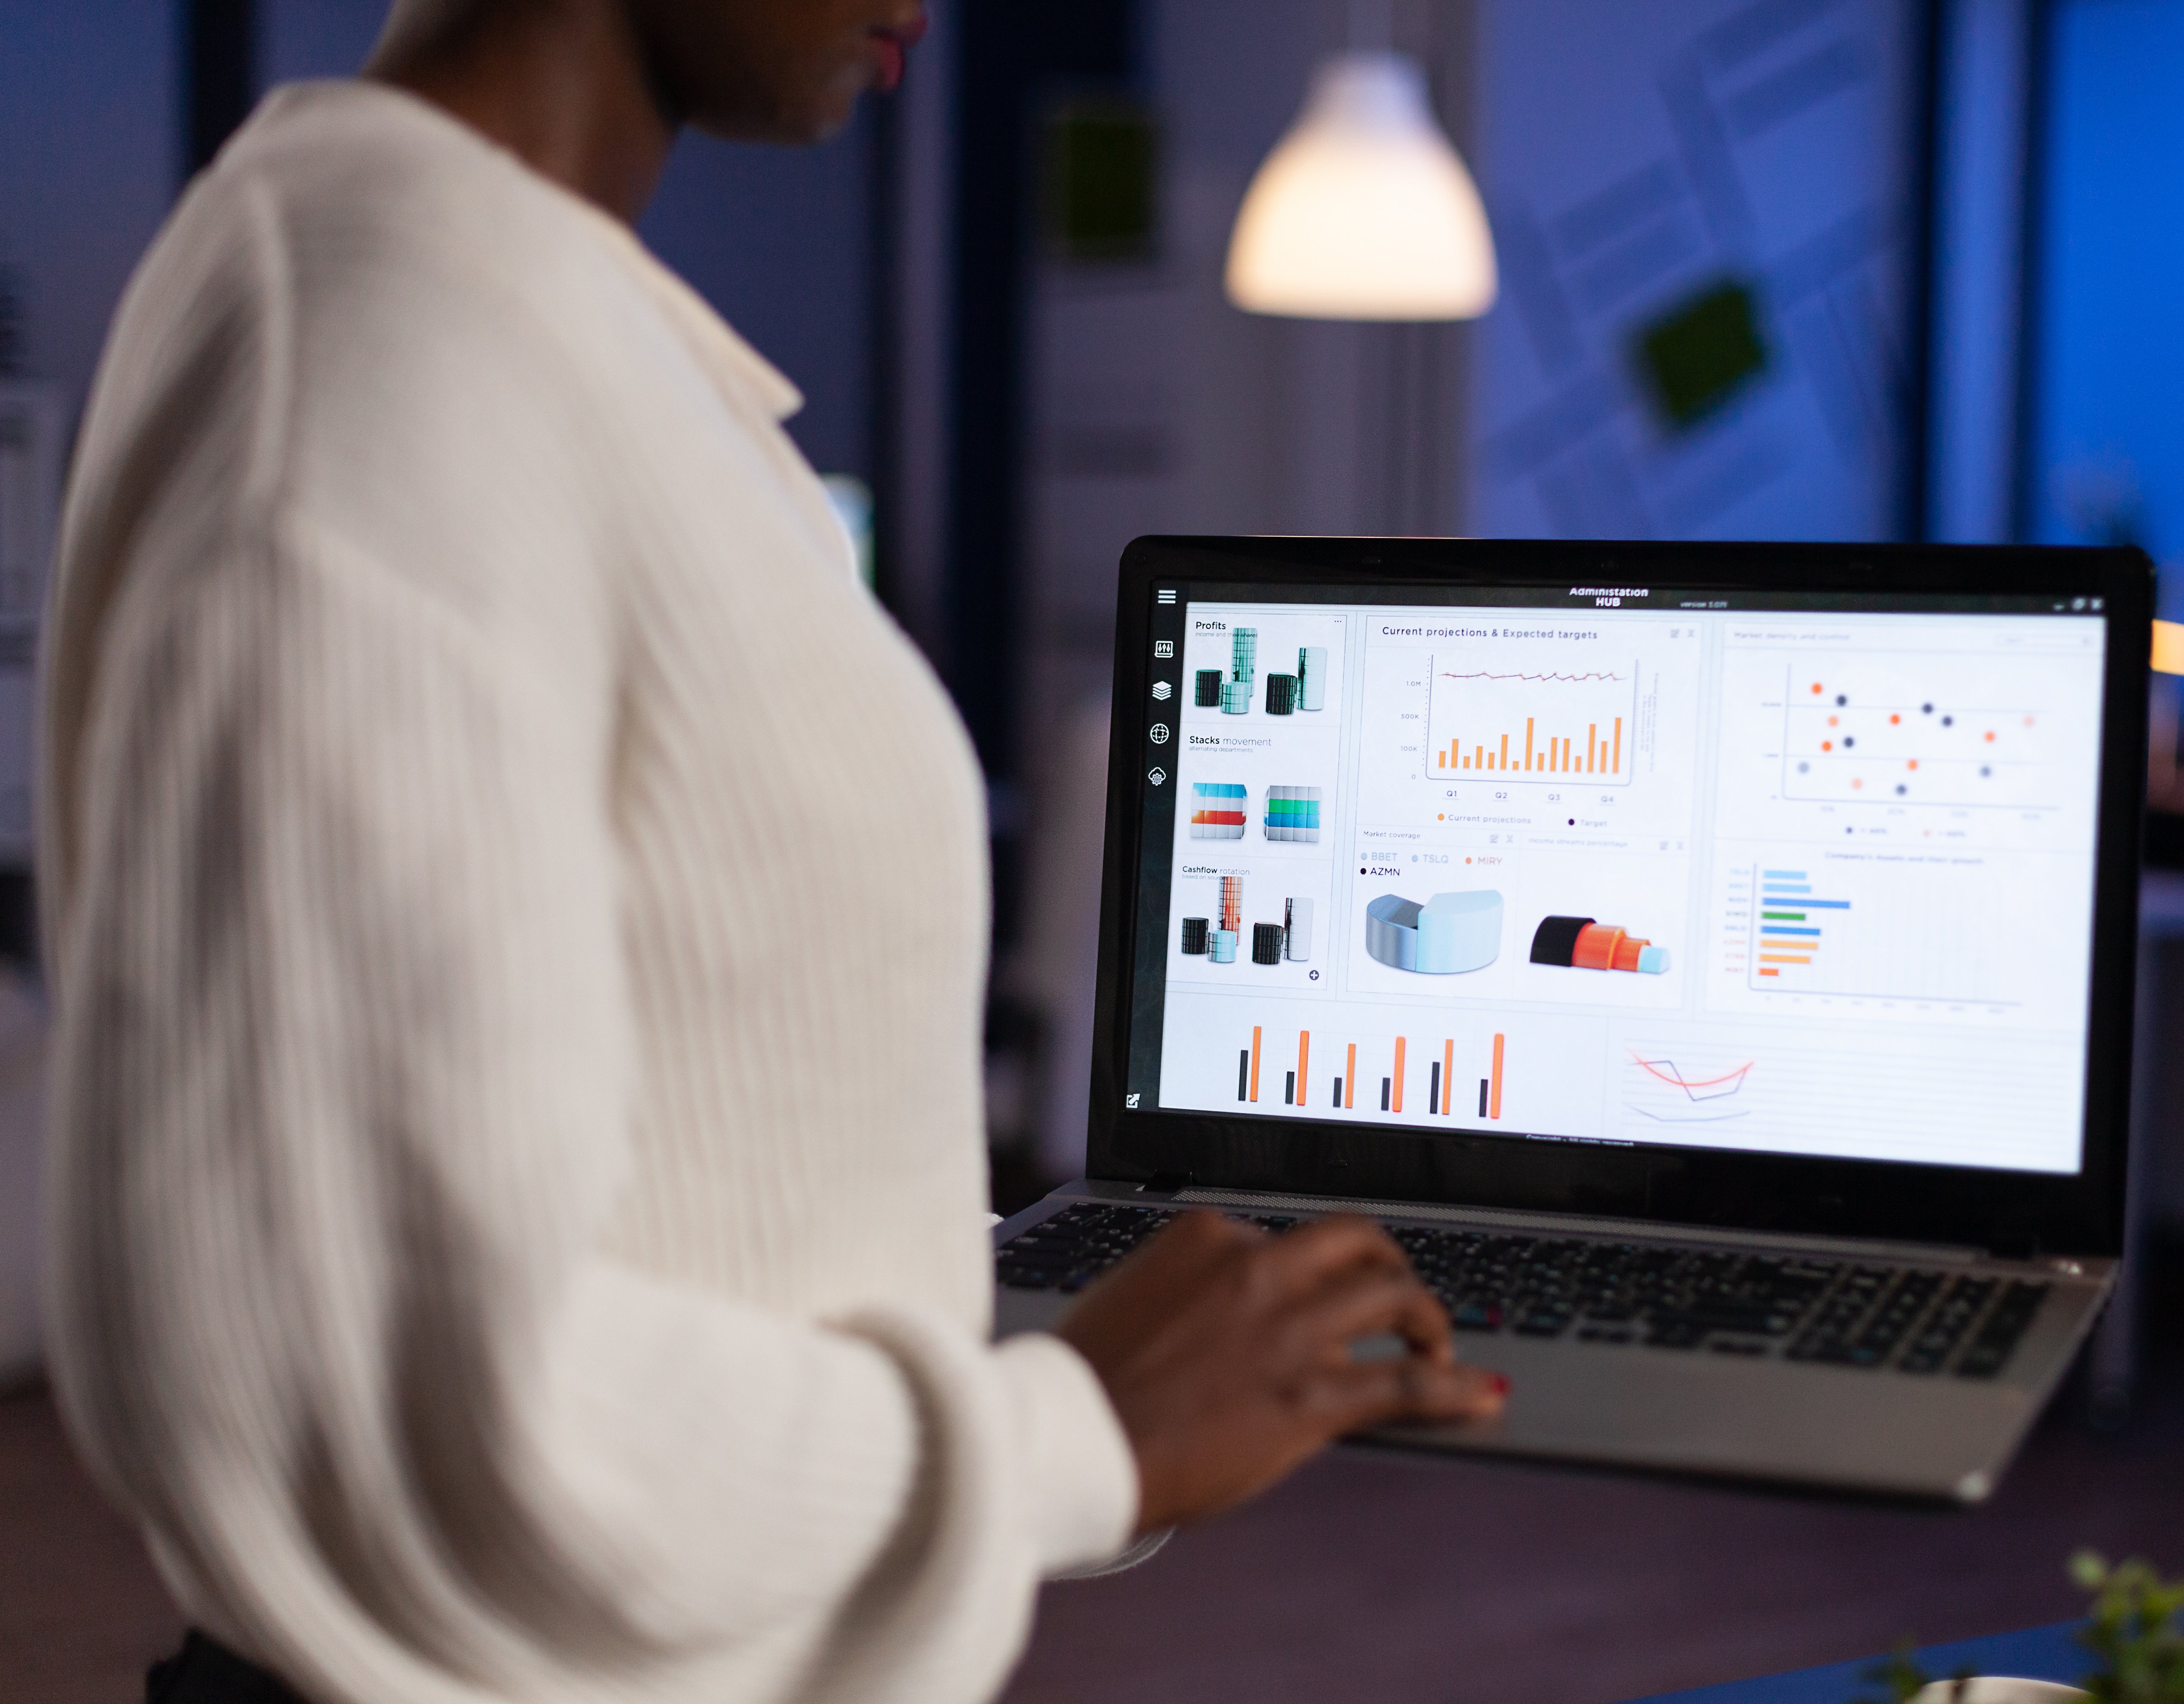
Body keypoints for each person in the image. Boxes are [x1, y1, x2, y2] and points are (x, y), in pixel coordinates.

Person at [41, 2, 1506, 1701]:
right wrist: (1068, 1436)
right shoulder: (386, 360)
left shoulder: (535, 320)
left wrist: (1089, 1361)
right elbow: (391, 1381)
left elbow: (686, 1178)